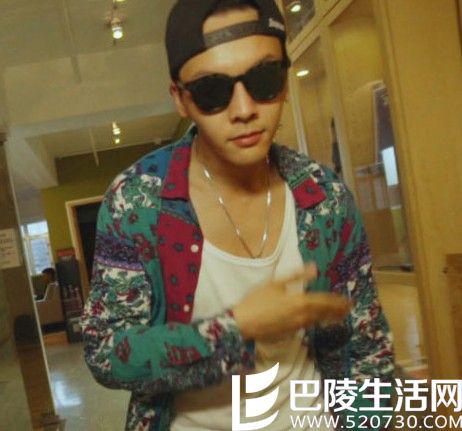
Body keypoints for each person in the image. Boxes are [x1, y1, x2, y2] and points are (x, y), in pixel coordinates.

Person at [81, 1, 394, 430]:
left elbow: (368, 352)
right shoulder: (137, 202)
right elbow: (106, 353)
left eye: (263, 79)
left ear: (285, 80)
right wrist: (237, 328)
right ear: (181, 99)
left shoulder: (324, 198)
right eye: (212, 91)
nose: (244, 108)